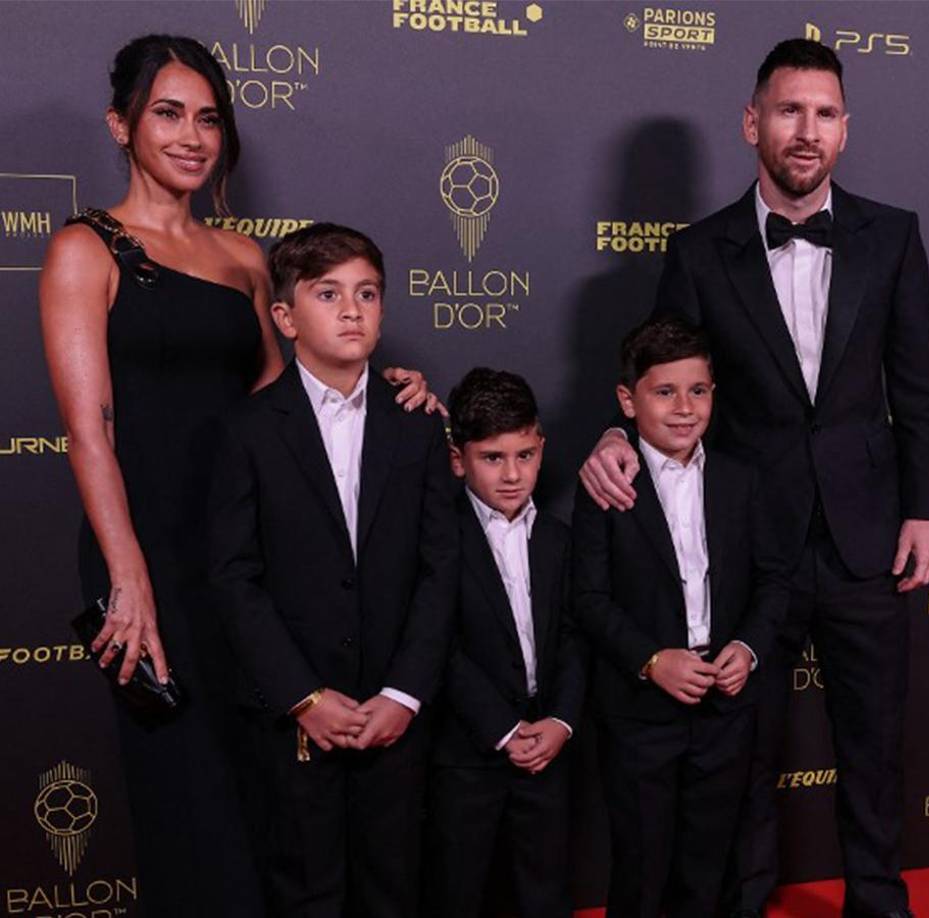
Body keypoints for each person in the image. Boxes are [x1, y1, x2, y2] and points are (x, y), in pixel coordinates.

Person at [38, 35, 435, 917]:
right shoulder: (84, 249)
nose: (192, 136)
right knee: (188, 800)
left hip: (246, 556)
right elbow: (86, 431)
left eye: (208, 117)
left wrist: (384, 387)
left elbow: (286, 410)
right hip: (147, 556)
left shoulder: (248, 259)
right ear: (121, 125)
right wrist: (128, 581)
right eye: (168, 114)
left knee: (270, 800)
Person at [579, 39, 929, 918]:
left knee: (873, 743)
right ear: (753, 123)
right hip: (749, 543)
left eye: (823, 113)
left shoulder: (893, 235)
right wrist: (611, 429)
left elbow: (921, 386)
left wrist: (926, 509)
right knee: (741, 750)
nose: (805, 130)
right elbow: (665, 370)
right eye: (788, 110)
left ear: (845, 130)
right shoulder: (699, 252)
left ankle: (878, 901)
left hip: (868, 532)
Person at [208, 223, 458, 918]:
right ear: (285, 317)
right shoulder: (248, 431)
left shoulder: (418, 426)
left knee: (395, 888)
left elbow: (442, 569)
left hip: (395, 718)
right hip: (293, 722)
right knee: (305, 892)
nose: (352, 309)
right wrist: (304, 697)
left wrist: (404, 693)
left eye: (368, 293)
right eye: (328, 294)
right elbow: (233, 577)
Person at [572, 317, 789, 918]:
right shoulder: (606, 484)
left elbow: (774, 581)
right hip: (640, 715)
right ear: (627, 399)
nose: (684, 408)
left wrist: (746, 647)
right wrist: (649, 660)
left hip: (724, 708)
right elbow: (587, 599)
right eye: (664, 392)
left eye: (698, 391)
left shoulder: (742, 479)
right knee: (642, 870)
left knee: (710, 868)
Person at [427, 367, 587, 918]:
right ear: (458, 459)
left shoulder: (559, 539)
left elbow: (573, 635)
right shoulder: (437, 535)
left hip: (547, 751)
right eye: (493, 458)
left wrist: (561, 721)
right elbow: (435, 644)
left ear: (542, 447)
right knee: (460, 893)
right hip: (465, 756)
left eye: (525, 455)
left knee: (545, 893)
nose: (513, 474)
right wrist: (500, 728)